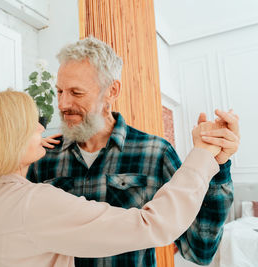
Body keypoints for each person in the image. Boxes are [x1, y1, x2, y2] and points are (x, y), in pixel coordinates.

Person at [27, 37, 240, 266]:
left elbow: (200, 250)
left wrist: (216, 163)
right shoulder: (42, 157)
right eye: (59, 91)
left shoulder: (156, 153)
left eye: (76, 93)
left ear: (112, 90)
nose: (62, 104)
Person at [0, 90, 226, 267]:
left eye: (75, 92)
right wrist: (202, 155)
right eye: (30, 124)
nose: (41, 126)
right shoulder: (34, 203)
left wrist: (25, 152)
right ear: (8, 141)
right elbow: (152, 225)